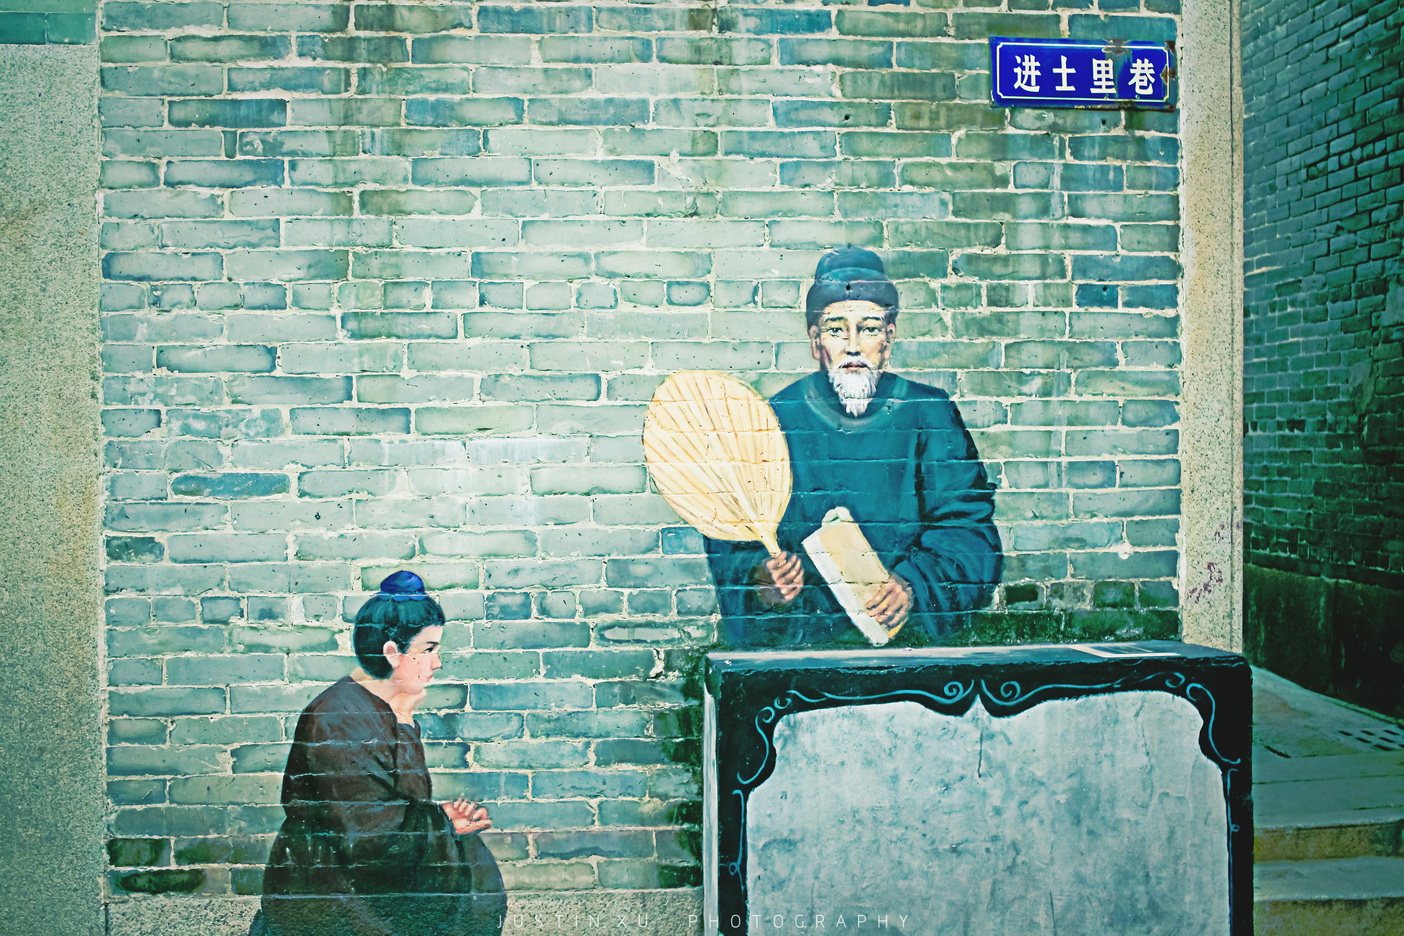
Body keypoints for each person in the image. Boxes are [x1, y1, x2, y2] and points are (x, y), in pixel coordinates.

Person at [705, 247, 1003, 648]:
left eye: (869, 328)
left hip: (909, 644)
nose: (853, 346)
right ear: (815, 341)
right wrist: (761, 580)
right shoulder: (773, 420)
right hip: (804, 647)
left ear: (889, 339)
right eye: (835, 330)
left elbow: (970, 530)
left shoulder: (929, 413)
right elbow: (731, 531)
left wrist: (914, 586)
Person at [250, 571, 506, 936]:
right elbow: (369, 838)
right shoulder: (337, 720)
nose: (437, 663)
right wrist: (443, 823)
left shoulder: (382, 706)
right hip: (331, 884)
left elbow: (407, 801)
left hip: (364, 865)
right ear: (391, 653)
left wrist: (404, 722)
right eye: (428, 650)